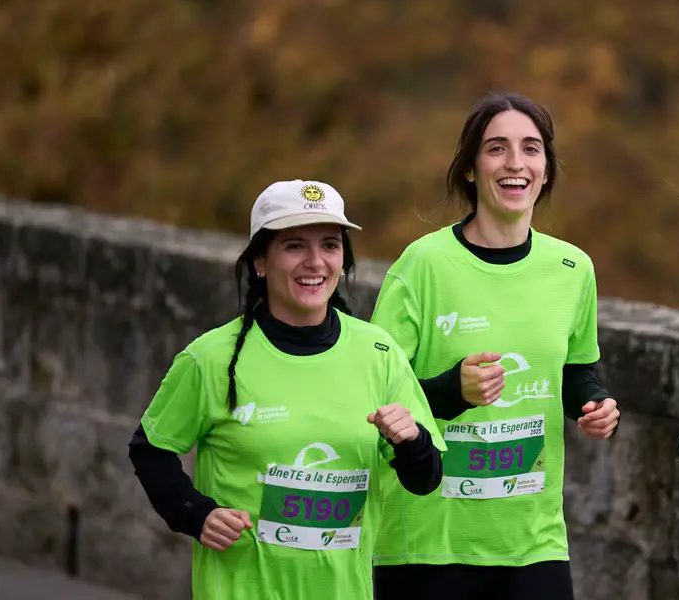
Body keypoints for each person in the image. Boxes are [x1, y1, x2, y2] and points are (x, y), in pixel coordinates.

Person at [128, 179, 445, 600]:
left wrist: (412, 441)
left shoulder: (379, 353)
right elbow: (150, 448)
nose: (316, 262)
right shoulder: (211, 359)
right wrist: (195, 513)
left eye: (330, 246)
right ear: (261, 261)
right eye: (295, 246)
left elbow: (425, 480)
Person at [369, 92, 621, 600]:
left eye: (531, 149)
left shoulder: (573, 269)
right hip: (427, 543)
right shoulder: (423, 265)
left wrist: (594, 405)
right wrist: (451, 390)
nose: (515, 163)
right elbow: (373, 396)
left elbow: (575, 372)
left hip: (532, 542)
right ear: (469, 169)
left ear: (546, 170)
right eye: (496, 149)